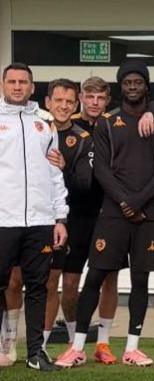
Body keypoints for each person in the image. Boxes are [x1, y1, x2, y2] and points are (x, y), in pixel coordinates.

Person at [56, 60, 154, 368]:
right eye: (127, 82)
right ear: (120, 88)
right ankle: (78, 345)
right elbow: (102, 169)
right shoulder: (108, 122)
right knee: (94, 276)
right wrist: (125, 200)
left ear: (146, 86)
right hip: (112, 213)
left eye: (138, 82)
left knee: (140, 280)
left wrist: (138, 201)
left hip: (146, 216)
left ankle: (132, 347)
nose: (133, 87)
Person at [0, 63, 69, 371]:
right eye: (12, 81)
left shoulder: (45, 123)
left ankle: (35, 354)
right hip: (4, 220)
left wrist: (60, 218)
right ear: (3, 85)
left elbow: (55, 174)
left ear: (31, 87)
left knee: (38, 286)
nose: (17, 86)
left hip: (40, 221)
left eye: (23, 82)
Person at [56, 76, 120, 364]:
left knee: (109, 279)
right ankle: (73, 339)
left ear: (107, 100)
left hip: (108, 213)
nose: (95, 102)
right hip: (74, 214)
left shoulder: (113, 127)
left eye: (101, 97)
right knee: (69, 281)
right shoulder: (67, 126)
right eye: (90, 97)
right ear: (81, 98)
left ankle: (103, 343)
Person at [40, 79, 91, 353]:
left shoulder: (82, 138)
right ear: (48, 102)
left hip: (73, 220)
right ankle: (36, 344)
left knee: (66, 283)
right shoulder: (35, 129)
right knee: (31, 281)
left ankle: (73, 341)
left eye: (69, 102)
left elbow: (85, 183)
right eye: (58, 100)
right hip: (35, 217)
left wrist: (65, 166)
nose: (63, 106)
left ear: (76, 105)